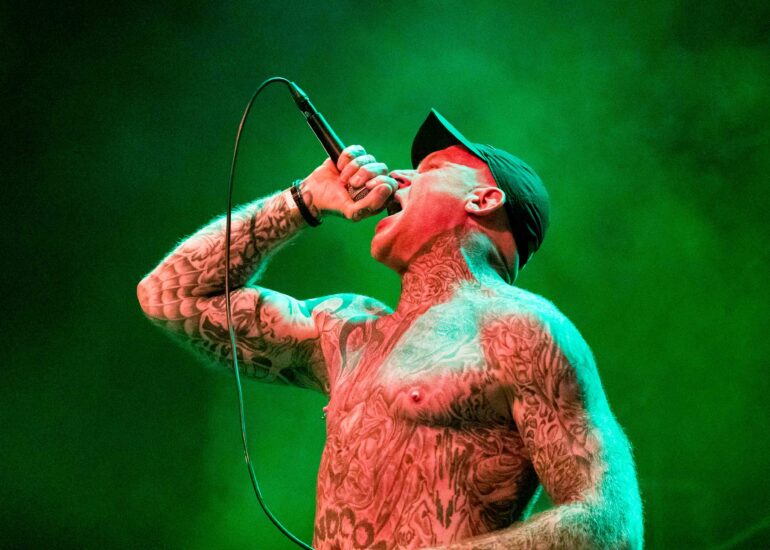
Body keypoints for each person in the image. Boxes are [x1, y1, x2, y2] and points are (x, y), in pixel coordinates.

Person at [137, 109, 643, 549]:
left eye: (431, 171)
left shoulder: (522, 330)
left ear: (483, 199)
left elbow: (610, 525)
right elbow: (170, 297)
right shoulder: (348, 331)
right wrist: (303, 200)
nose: (397, 177)